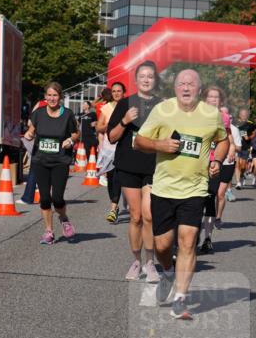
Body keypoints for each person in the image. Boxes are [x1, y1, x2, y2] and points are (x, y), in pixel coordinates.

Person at [135, 69, 229, 320]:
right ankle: (167, 271)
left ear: (199, 89)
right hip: (164, 188)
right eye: (181, 84)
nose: (186, 88)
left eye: (191, 84)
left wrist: (217, 159)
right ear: (174, 88)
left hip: (195, 188)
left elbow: (223, 140)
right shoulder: (162, 110)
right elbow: (139, 141)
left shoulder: (211, 114)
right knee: (162, 245)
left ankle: (180, 298)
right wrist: (159, 145)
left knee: (188, 241)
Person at [107, 61, 161, 281]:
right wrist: (125, 120)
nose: (146, 79)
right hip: (128, 165)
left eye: (150, 76)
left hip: (153, 167)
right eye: (142, 76)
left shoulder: (162, 106)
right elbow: (111, 137)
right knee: (136, 216)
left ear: (155, 80)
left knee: (149, 215)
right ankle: (136, 261)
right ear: (136, 80)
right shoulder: (125, 103)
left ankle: (151, 263)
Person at [24, 82, 79, 245]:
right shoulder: (39, 113)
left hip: (60, 160)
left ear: (60, 97)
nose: (52, 98)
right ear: (45, 97)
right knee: (45, 198)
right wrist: (28, 135)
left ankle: (64, 218)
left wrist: (70, 139)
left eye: (55, 95)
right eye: (49, 95)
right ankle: (48, 231)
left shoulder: (67, 114)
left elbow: (76, 133)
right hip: (40, 160)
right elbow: (31, 131)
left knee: (57, 198)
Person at [198, 85, 234, 254]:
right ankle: (192, 232)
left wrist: (230, 149)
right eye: (210, 97)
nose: (213, 100)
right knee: (194, 200)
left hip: (213, 163)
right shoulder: (195, 113)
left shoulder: (224, 117)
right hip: (196, 164)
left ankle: (208, 238)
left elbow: (226, 139)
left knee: (210, 199)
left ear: (221, 101)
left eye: (216, 97)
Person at [97, 82, 125, 223]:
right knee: (111, 177)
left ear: (123, 92)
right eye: (114, 91)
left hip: (123, 147)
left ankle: (113, 208)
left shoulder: (128, 106)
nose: (116, 93)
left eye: (119, 91)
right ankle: (114, 203)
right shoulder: (106, 108)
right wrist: (111, 125)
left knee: (118, 177)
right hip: (109, 147)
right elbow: (98, 127)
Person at [234, 107, 251, 190]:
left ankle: (241, 176)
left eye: (245, 115)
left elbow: (253, 135)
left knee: (243, 166)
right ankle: (238, 182)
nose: (244, 116)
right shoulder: (235, 124)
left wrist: (248, 137)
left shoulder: (250, 125)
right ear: (239, 115)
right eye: (242, 115)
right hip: (237, 147)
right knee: (237, 164)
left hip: (245, 147)